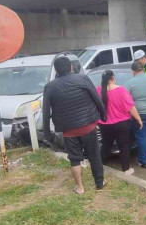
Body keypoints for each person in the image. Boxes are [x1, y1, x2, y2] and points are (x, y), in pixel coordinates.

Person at [43, 57, 107, 194]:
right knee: (94, 155)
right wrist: (103, 115)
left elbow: (46, 112)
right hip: (88, 125)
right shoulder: (83, 79)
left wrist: (47, 134)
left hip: (68, 130)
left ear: (56, 70)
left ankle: (80, 187)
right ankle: (99, 183)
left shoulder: (49, 87)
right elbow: (97, 98)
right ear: (71, 67)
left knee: (75, 159)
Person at [97, 70, 142, 175]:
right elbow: (130, 107)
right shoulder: (121, 90)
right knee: (124, 146)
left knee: (106, 145)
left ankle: (100, 165)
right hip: (122, 124)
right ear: (113, 78)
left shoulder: (99, 90)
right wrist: (139, 119)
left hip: (104, 124)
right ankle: (125, 169)